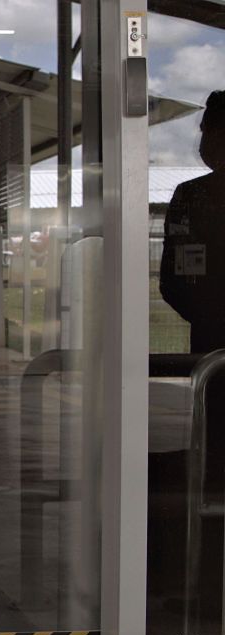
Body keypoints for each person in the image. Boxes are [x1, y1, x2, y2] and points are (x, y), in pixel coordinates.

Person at [159, 91, 225, 495]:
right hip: (210, 343)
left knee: (214, 454)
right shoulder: (192, 195)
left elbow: (176, 283)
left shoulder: (193, 197)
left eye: (208, 132)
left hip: (211, 345)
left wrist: (210, 319)